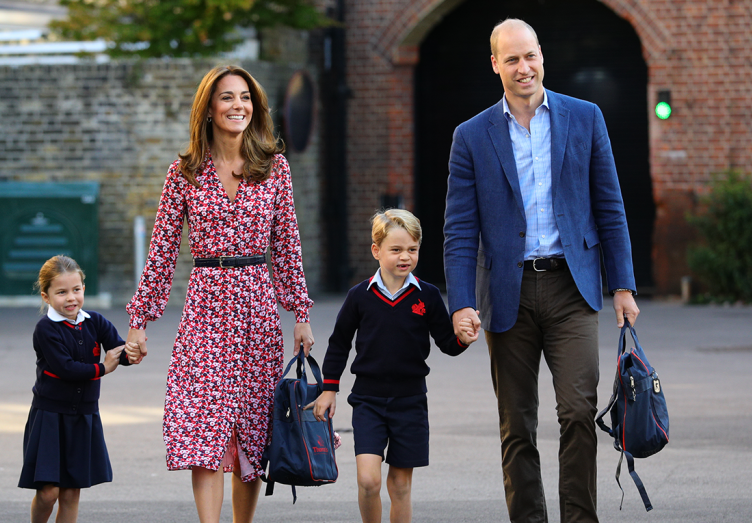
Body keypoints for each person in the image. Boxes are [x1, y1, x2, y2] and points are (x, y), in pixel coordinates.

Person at [443, 18, 641, 523]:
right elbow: (460, 230)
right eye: (511, 59)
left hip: (572, 287)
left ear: (541, 56)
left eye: (530, 55)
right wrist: (461, 300)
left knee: (577, 411)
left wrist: (622, 285)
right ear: (495, 65)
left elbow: (610, 206)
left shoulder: (585, 117)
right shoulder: (470, 137)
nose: (523, 66)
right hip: (506, 292)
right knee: (517, 425)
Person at [123, 65, 315, 523]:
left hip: (256, 307)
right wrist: (139, 320)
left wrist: (301, 313)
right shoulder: (185, 171)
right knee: (203, 432)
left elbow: (287, 246)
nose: (238, 106)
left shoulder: (274, 168)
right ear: (208, 108)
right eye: (227, 98)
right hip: (206, 307)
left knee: (250, 430)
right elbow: (162, 252)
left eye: (245, 97)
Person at [313, 209, 477, 523]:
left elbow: (447, 343)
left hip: (411, 402)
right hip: (368, 402)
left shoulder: (427, 295)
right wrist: (329, 390)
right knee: (368, 480)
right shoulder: (359, 296)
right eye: (396, 249)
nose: (405, 257)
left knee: (400, 485)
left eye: (412, 250)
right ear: (376, 250)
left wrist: (463, 339)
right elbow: (339, 344)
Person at [19, 255, 131, 523]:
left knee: (71, 494)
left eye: (76, 289)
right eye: (61, 292)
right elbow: (66, 369)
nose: (71, 298)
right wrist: (103, 368)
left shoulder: (96, 321)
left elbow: (119, 351)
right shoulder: (45, 329)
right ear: (46, 296)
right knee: (48, 493)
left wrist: (133, 349)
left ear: (83, 288)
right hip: (49, 417)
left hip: (84, 417)